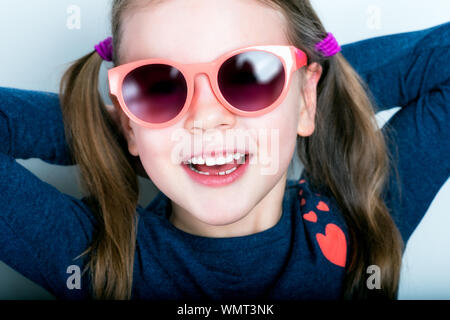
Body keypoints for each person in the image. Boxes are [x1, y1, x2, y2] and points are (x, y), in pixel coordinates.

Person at [0, 0, 448, 300]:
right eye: (158, 86)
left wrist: (304, 100)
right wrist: (118, 131)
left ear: (307, 98)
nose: (205, 117)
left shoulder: (361, 223)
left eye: (250, 75)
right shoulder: (95, 258)